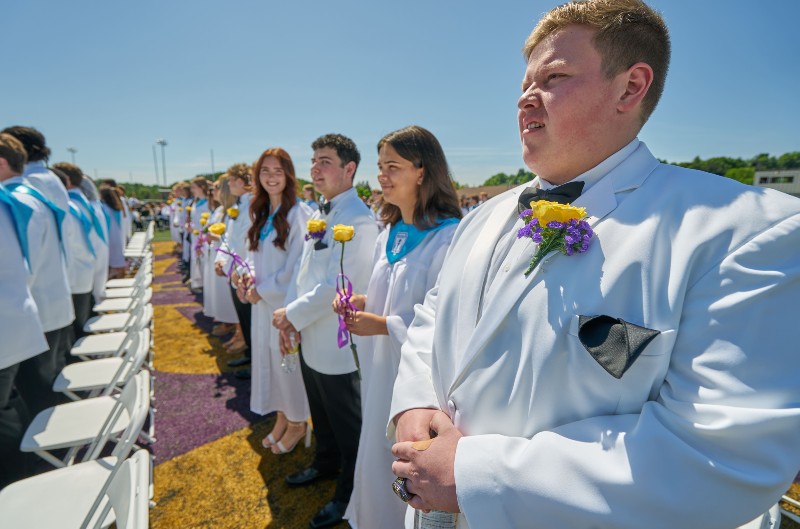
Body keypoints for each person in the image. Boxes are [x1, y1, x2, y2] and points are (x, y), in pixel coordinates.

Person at [388, 2, 800, 529]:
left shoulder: (742, 230)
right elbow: (435, 313)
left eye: (553, 77)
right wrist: (415, 401)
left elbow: (721, 457)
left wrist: (476, 473)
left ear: (631, 88)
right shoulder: (482, 216)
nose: (524, 97)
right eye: (525, 81)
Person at [335, 126, 461, 529]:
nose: (381, 177)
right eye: (380, 167)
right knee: (372, 446)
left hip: (413, 381)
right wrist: (363, 304)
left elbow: (445, 321)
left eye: (392, 166)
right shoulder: (389, 231)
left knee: (400, 453)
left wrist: (384, 324)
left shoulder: (448, 237)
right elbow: (388, 294)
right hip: (377, 367)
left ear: (422, 171)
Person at [273, 133, 378, 529]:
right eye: (313, 161)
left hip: (337, 345)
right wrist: (293, 314)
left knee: (348, 426)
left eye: (325, 161)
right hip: (312, 339)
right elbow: (306, 273)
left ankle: (346, 497)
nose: (315, 168)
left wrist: (292, 315)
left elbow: (341, 283)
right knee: (322, 415)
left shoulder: (358, 220)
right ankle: (324, 463)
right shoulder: (323, 213)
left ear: (350, 169)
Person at [240, 148, 313, 454]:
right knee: (269, 359)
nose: (271, 177)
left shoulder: (298, 214)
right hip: (261, 305)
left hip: (283, 305)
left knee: (287, 363)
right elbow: (252, 255)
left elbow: (296, 266)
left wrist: (263, 289)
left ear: (288, 176)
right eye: (265, 171)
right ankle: (282, 416)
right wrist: (246, 276)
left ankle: (298, 422)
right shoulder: (260, 213)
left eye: (278, 171)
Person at [1, 132, 74, 417]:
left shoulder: (23, 195)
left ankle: (44, 456)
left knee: (37, 393)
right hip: (49, 299)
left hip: (37, 305)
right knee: (44, 386)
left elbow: (24, 265)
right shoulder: (40, 188)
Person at [0, 133, 48, 488]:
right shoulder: (24, 198)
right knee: (12, 400)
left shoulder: (16, 198)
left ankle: (17, 481)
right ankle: (25, 470)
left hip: (10, 315)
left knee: (7, 407)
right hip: (19, 311)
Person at [215, 163, 254, 374]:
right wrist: (221, 259)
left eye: (231, 181)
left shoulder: (251, 208)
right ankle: (249, 354)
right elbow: (229, 239)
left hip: (245, 274)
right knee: (243, 317)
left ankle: (255, 362)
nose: (229, 185)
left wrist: (242, 271)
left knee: (250, 319)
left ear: (240, 182)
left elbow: (249, 245)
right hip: (233, 272)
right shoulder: (238, 207)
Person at [188, 177, 213, 293]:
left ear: (202, 187)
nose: (192, 190)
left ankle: (204, 284)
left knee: (203, 259)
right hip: (195, 235)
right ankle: (197, 281)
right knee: (196, 258)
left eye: (194, 187)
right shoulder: (196, 201)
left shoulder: (209, 202)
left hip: (203, 237)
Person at [99, 185, 127, 279]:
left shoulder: (103, 208)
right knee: (118, 263)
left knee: (110, 265)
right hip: (118, 237)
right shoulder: (116, 208)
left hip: (109, 238)